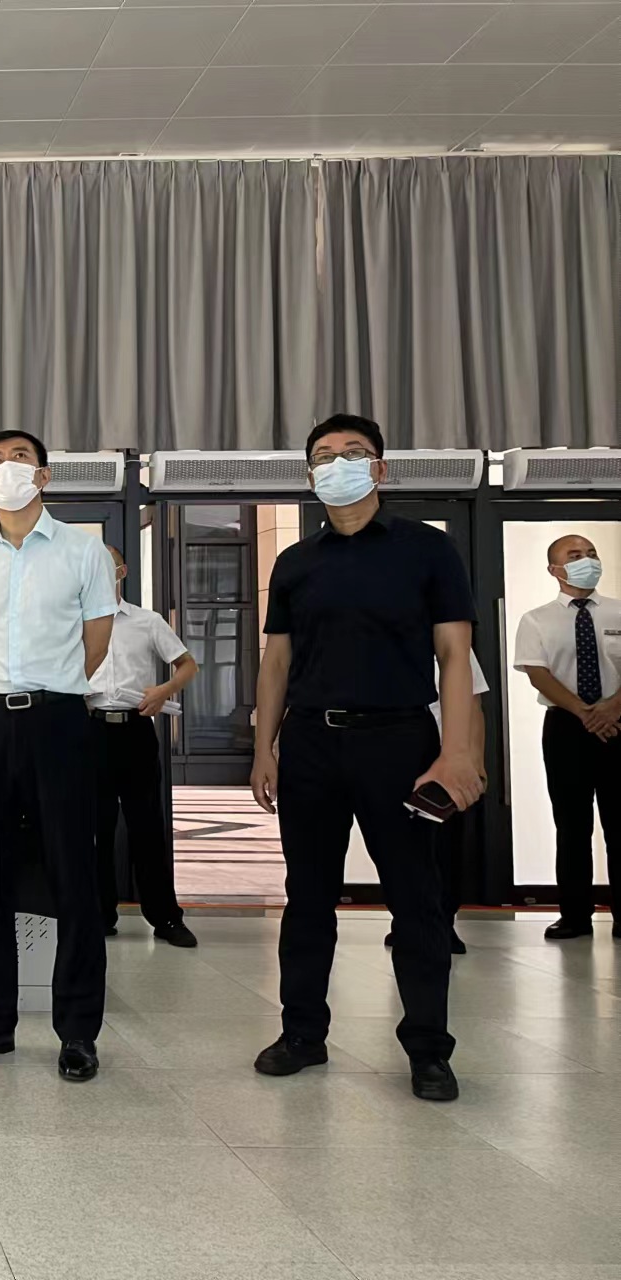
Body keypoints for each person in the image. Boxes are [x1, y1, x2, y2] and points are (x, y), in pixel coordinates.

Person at [250, 414, 481, 1103]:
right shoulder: (296, 562)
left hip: (399, 741)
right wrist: (264, 748)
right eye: (324, 455)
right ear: (310, 475)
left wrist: (456, 752)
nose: (338, 463)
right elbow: (276, 662)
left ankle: (429, 1049)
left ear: (380, 468)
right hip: (310, 744)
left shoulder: (428, 549)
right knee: (307, 896)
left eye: (353, 452)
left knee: (415, 899)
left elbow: (455, 657)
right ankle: (302, 1034)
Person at [0, 429, 116, 1082]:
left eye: (19, 459)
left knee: (73, 872)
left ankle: (78, 1031)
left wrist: (49, 689)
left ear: (43, 476)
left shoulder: (82, 550)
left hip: (57, 721)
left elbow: (96, 642)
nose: (6, 468)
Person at [87, 545, 200, 948]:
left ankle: (166, 918)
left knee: (147, 827)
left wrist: (164, 690)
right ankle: (99, 915)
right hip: (90, 731)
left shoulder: (146, 621)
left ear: (121, 572)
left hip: (135, 731)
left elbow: (187, 665)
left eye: (106, 566)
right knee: (94, 830)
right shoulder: (72, 622)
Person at [513, 535, 621, 941]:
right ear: (554, 569)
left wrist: (611, 709)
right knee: (572, 825)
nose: (586, 561)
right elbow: (538, 674)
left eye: (591, 554)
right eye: (575, 556)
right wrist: (585, 712)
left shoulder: (618, 610)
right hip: (566, 727)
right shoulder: (536, 620)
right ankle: (575, 916)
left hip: (618, 724)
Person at [385, 650, 488, 955]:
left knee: (446, 847)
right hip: (397, 757)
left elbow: (474, 704)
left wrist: (476, 761)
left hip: (447, 761)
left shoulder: (452, 642)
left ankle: (444, 922)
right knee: (399, 847)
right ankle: (405, 921)